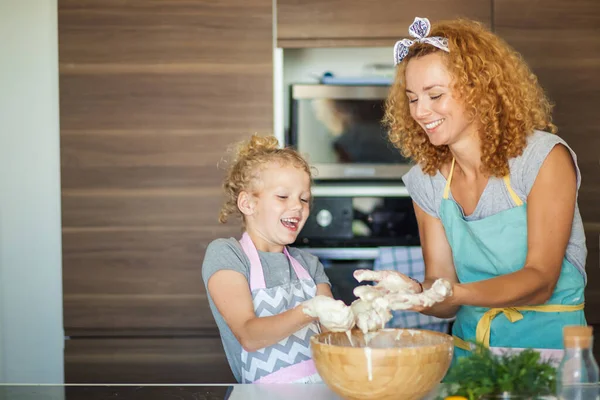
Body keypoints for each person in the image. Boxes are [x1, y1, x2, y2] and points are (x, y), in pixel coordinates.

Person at [360, 17, 587, 362]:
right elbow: (442, 289)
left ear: (479, 88)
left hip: (549, 356)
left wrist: (452, 292)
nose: (421, 112)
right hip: (470, 356)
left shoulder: (542, 158)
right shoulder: (428, 180)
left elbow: (541, 278)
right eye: (412, 98)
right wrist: (416, 293)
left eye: (435, 95)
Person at [202, 134, 353, 384]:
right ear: (248, 203)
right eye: (283, 197)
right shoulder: (227, 255)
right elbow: (249, 335)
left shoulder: (308, 264)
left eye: (304, 199)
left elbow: (335, 339)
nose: (298, 207)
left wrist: (364, 312)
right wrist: (310, 309)